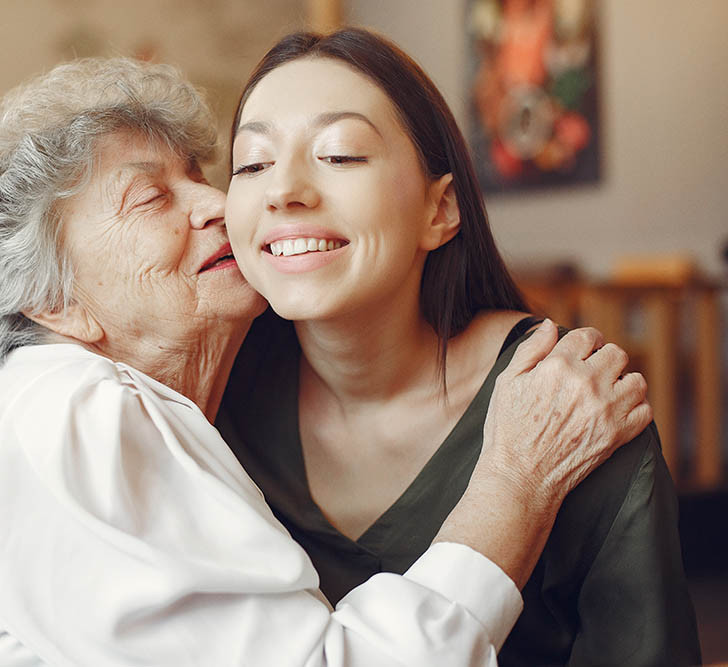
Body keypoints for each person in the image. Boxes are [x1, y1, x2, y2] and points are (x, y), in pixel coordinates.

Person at [0, 46, 652, 667]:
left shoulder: (243, 348)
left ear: (440, 209)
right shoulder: (67, 409)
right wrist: (513, 485)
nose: (225, 203)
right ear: (59, 304)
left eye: (212, 173)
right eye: (153, 198)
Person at [218, 28, 699, 666]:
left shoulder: (568, 401)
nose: (283, 191)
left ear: (439, 209)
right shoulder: (211, 407)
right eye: (252, 164)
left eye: (339, 154)